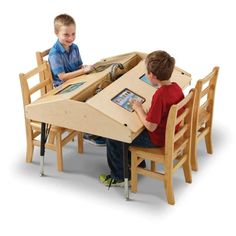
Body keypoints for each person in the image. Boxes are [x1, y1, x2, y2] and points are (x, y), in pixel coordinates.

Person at [99, 50, 184, 187]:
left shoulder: (160, 95)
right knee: (130, 128)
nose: (146, 74)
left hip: (157, 139)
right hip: (170, 132)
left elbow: (151, 126)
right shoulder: (176, 87)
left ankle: (119, 176)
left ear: (152, 76)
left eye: (147, 72)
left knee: (115, 135)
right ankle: (137, 162)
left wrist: (139, 109)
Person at [48, 13, 105, 146]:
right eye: (66, 35)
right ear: (57, 33)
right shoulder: (55, 53)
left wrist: (84, 68)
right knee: (88, 101)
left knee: (98, 92)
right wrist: (82, 71)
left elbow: (79, 65)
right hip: (63, 88)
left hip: (76, 81)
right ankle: (87, 133)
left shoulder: (74, 47)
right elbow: (61, 77)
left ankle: (96, 129)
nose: (71, 38)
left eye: (73, 34)